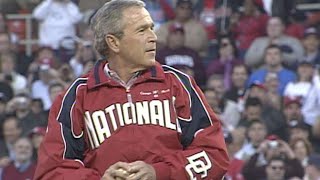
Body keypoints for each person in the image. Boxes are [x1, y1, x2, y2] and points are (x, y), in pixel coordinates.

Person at [34, 1, 229, 180]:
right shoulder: (76, 97)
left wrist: (159, 172)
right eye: (142, 30)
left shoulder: (178, 84)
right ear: (114, 42)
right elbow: (51, 172)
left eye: (152, 29)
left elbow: (214, 155)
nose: (153, 37)